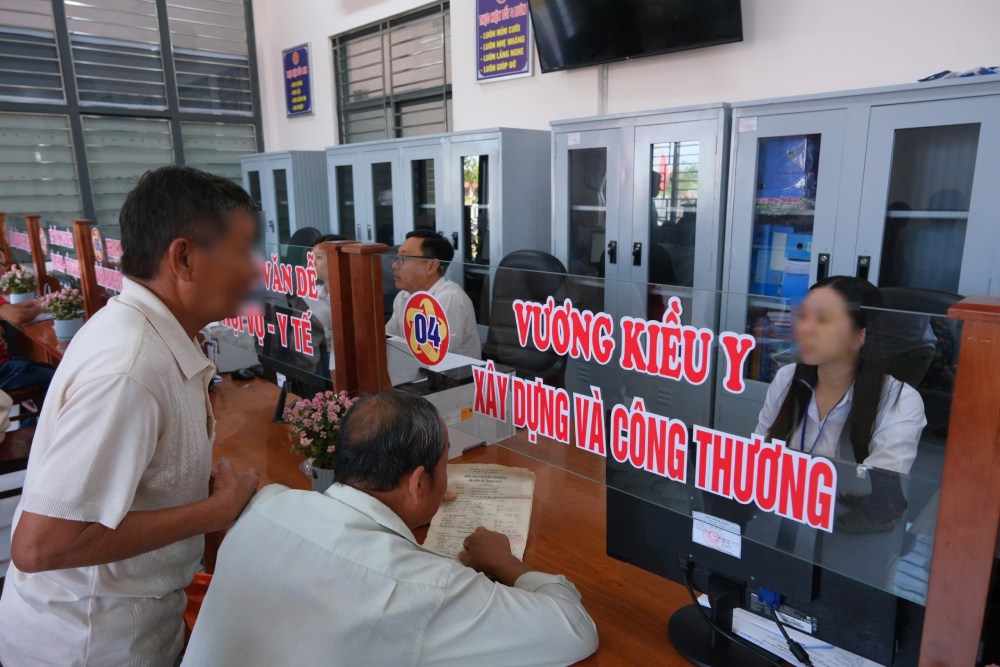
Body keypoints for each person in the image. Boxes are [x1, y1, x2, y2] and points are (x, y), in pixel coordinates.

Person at [0, 166, 262, 667]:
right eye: (241, 253)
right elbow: (40, 546)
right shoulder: (129, 369)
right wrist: (216, 510)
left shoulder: (151, 333)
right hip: (87, 645)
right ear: (184, 258)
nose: (253, 273)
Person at [182, 391, 599, 667]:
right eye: (444, 465)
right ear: (418, 483)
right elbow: (575, 630)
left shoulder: (268, 505)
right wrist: (504, 563)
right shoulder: (425, 586)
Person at [754, 276, 927, 531]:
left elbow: (877, 494)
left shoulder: (901, 401)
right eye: (804, 317)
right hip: (784, 515)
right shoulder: (788, 378)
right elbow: (759, 457)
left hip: (852, 528)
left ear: (861, 335)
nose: (806, 329)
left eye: (823, 319)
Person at [385, 230, 482, 360]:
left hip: (452, 371)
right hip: (412, 367)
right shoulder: (403, 296)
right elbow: (389, 339)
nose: (394, 265)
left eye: (403, 258)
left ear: (431, 266)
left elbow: (437, 358)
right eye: (396, 258)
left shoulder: (449, 298)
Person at [0, 250, 56, 396]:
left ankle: (37, 411)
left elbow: (10, 309)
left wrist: (34, 302)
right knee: (57, 379)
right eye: (2, 265)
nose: (5, 270)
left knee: (51, 370)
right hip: (2, 370)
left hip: (4, 364)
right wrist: (43, 307)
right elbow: (17, 317)